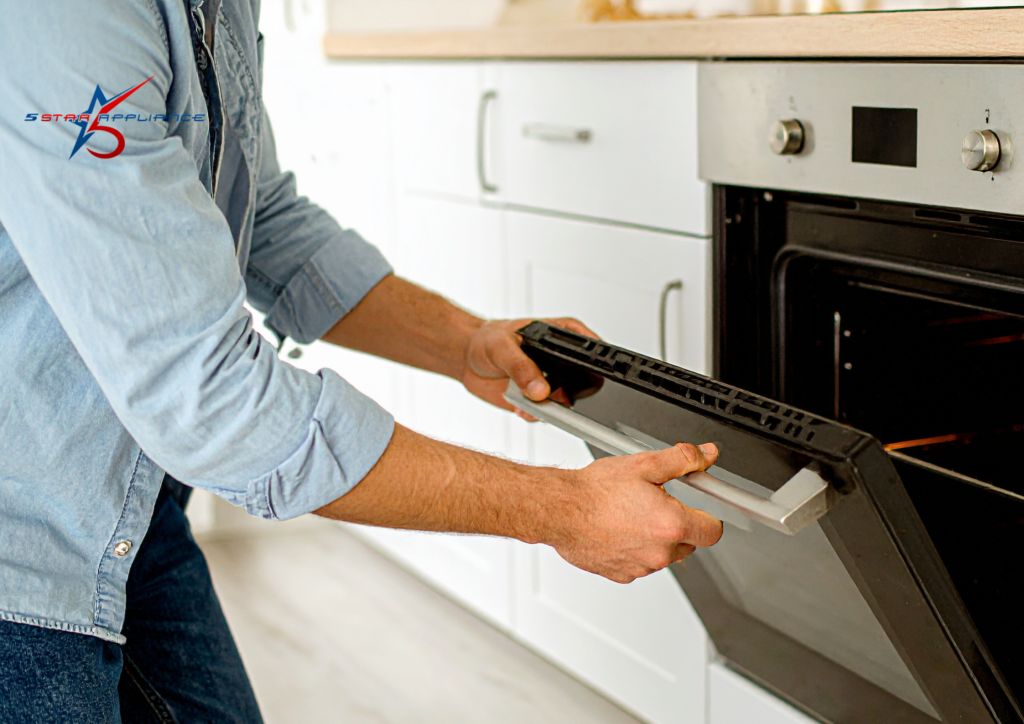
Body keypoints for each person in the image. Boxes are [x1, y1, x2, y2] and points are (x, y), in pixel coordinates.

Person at [0, 1, 724, 721]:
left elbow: (266, 217)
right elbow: (209, 399)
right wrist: (562, 510)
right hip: (19, 534)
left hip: (122, 510)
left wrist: (463, 341)